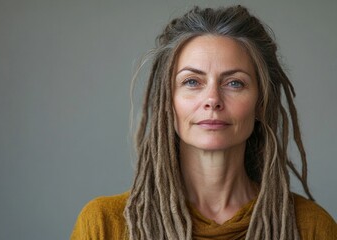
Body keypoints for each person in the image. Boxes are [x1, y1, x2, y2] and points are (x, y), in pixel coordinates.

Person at [71, 5, 336, 240]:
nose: (212, 99)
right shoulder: (104, 224)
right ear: (167, 101)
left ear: (260, 102)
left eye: (234, 83)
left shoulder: (311, 227)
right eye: (192, 82)